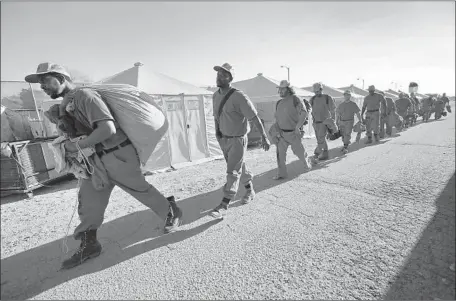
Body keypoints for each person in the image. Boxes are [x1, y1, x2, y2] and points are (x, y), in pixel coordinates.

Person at [25, 63, 183, 270]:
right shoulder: (67, 103)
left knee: (140, 190)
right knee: (89, 201)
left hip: (117, 154)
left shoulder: (85, 96)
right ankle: (89, 244)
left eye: (45, 81)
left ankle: (171, 210)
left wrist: (76, 146)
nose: (42, 86)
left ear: (61, 78)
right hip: (94, 160)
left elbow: (107, 128)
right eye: (40, 83)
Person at [210, 63, 270, 219]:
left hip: (237, 139)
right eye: (218, 74)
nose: (219, 77)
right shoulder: (215, 96)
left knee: (232, 171)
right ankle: (250, 190)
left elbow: (254, 116)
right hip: (224, 139)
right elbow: (217, 116)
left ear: (230, 78)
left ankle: (224, 204)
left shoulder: (239, 96)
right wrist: (218, 133)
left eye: (223, 75)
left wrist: (264, 136)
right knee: (238, 166)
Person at [272, 80, 312, 180]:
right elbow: (277, 118)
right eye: (279, 89)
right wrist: (276, 132)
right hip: (282, 134)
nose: (280, 91)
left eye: (282, 89)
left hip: (293, 133)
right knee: (280, 155)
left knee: (299, 152)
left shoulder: (295, 99)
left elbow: (304, 113)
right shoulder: (279, 103)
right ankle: (282, 174)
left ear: (289, 89)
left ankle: (307, 164)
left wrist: (298, 127)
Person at [309, 82, 338, 161]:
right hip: (316, 123)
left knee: (321, 139)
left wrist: (333, 122)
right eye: (315, 92)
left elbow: (333, 110)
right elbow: (310, 110)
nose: (316, 93)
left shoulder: (327, 98)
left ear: (321, 89)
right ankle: (325, 154)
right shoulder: (313, 99)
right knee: (320, 139)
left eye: (318, 91)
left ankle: (316, 154)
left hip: (325, 122)